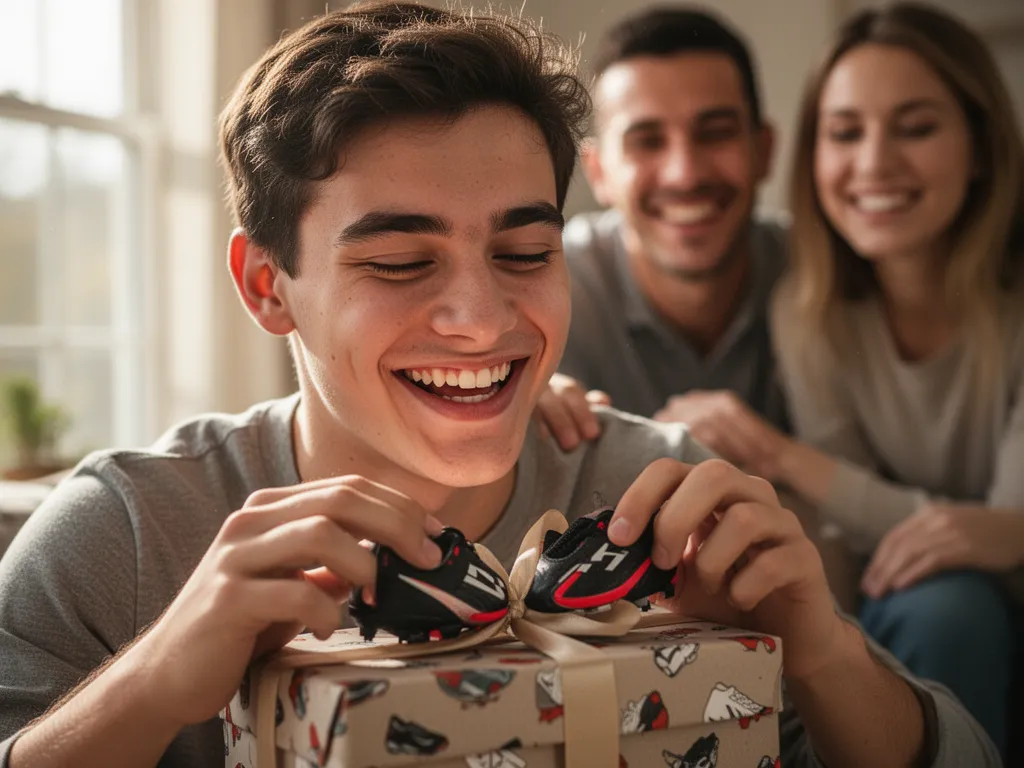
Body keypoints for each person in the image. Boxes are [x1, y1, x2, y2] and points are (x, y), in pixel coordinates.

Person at [0, 3, 1000, 767]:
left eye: (526, 250)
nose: (481, 319)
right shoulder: (125, 535)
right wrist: (154, 682)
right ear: (269, 287)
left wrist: (818, 648)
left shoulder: (668, 504)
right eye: (399, 264)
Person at [617, 3, 1022, 756]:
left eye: (917, 126)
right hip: (893, 591)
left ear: (981, 146)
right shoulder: (811, 308)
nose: (873, 164)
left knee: (951, 609)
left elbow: (985, 532)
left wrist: (780, 455)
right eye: (845, 133)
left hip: (956, 605)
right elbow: (860, 534)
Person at [537, 7, 790, 452]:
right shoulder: (543, 283)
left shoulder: (827, 274)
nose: (684, 174)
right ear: (598, 172)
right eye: (647, 141)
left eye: (715, 133)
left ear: (764, 150)